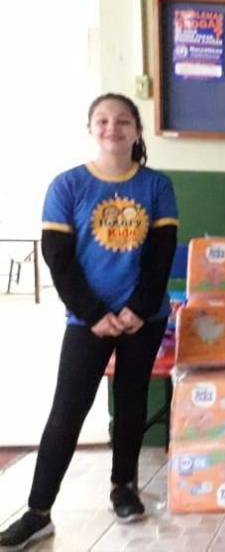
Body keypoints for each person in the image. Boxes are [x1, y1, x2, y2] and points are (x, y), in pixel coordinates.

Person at [0, 93, 179, 549]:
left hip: (144, 318)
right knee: (67, 410)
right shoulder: (67, 185)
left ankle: (124, 488)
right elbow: (57, 258)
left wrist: (138, 309)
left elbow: (161, 257)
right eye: (102, 120)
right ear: (90, 129)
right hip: (87, 321)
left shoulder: (157, 186)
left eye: (122, 121)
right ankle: (38, 511)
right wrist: (94, 313)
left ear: (136, 131)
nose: (112, 128)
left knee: (132, 402)